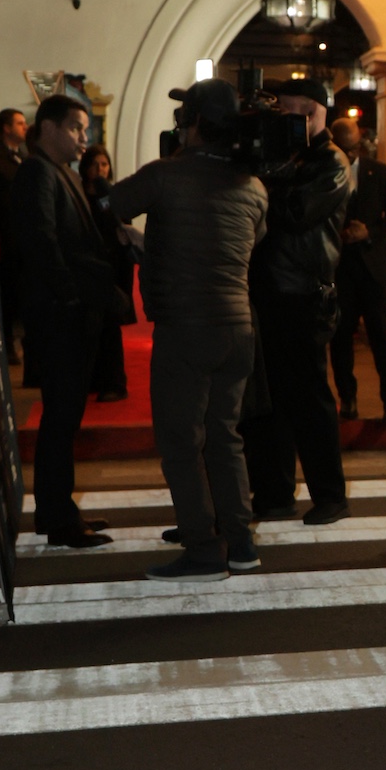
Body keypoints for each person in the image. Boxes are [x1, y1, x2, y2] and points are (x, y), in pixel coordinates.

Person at [106, 80, 268, 581]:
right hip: (237, 325)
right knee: (224, 436)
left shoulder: (166, 175)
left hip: (186, 325)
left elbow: (111, 204)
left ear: (192, 122)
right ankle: (240, 542)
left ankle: (203, 551)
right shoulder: (254, 185)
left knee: (180, 441)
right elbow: (251, 238)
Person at [7, 95, 128, 549]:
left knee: (66, 416)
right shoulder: (37, 172)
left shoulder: (60, 172)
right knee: (60, 417)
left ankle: (60, 510)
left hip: (70, 310)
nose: (84, 137)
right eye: (77, 127)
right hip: (60, 314)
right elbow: (41, 241)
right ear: (49, 128)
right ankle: (58, 518)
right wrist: (71, 294)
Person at [241, 76, 354, 527]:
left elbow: (296, 213)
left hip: (304, 293)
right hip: (269, 290)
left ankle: (330, 495)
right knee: (269, 399)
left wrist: (262, 182)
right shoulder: (286, 157)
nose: (285, 121)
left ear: (314, 112)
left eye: (292, 112)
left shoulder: (330, 162)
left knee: (309, 399)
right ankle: (274, 493)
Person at [328, 114, 386, 421]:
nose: (349, 155)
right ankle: (348, 400)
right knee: (340, 338)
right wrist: (339, 234)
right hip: (341, 268)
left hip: (374, 270)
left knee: (382, 338)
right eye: (343, 149)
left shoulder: (380, 172)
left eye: (352, 149)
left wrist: (368, 233)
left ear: (359, 144)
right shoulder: (326, 173)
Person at [79, 143, 137, 402]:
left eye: (104, 164)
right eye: (95, 164)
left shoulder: (113, 195)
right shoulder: (78, 194)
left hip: (113, 267)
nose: (100, 169)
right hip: (87, 267)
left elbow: (124, 228)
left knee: (110, 326)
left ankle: (114, 382)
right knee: (90, 327)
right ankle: (93, 379)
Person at [0, 107, 27, 362]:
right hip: (6, 236)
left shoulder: (22, 156)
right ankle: (7, 344)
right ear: (6, 128)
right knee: (7, 291)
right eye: (20, 123)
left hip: (23, 235)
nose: (25, 127)